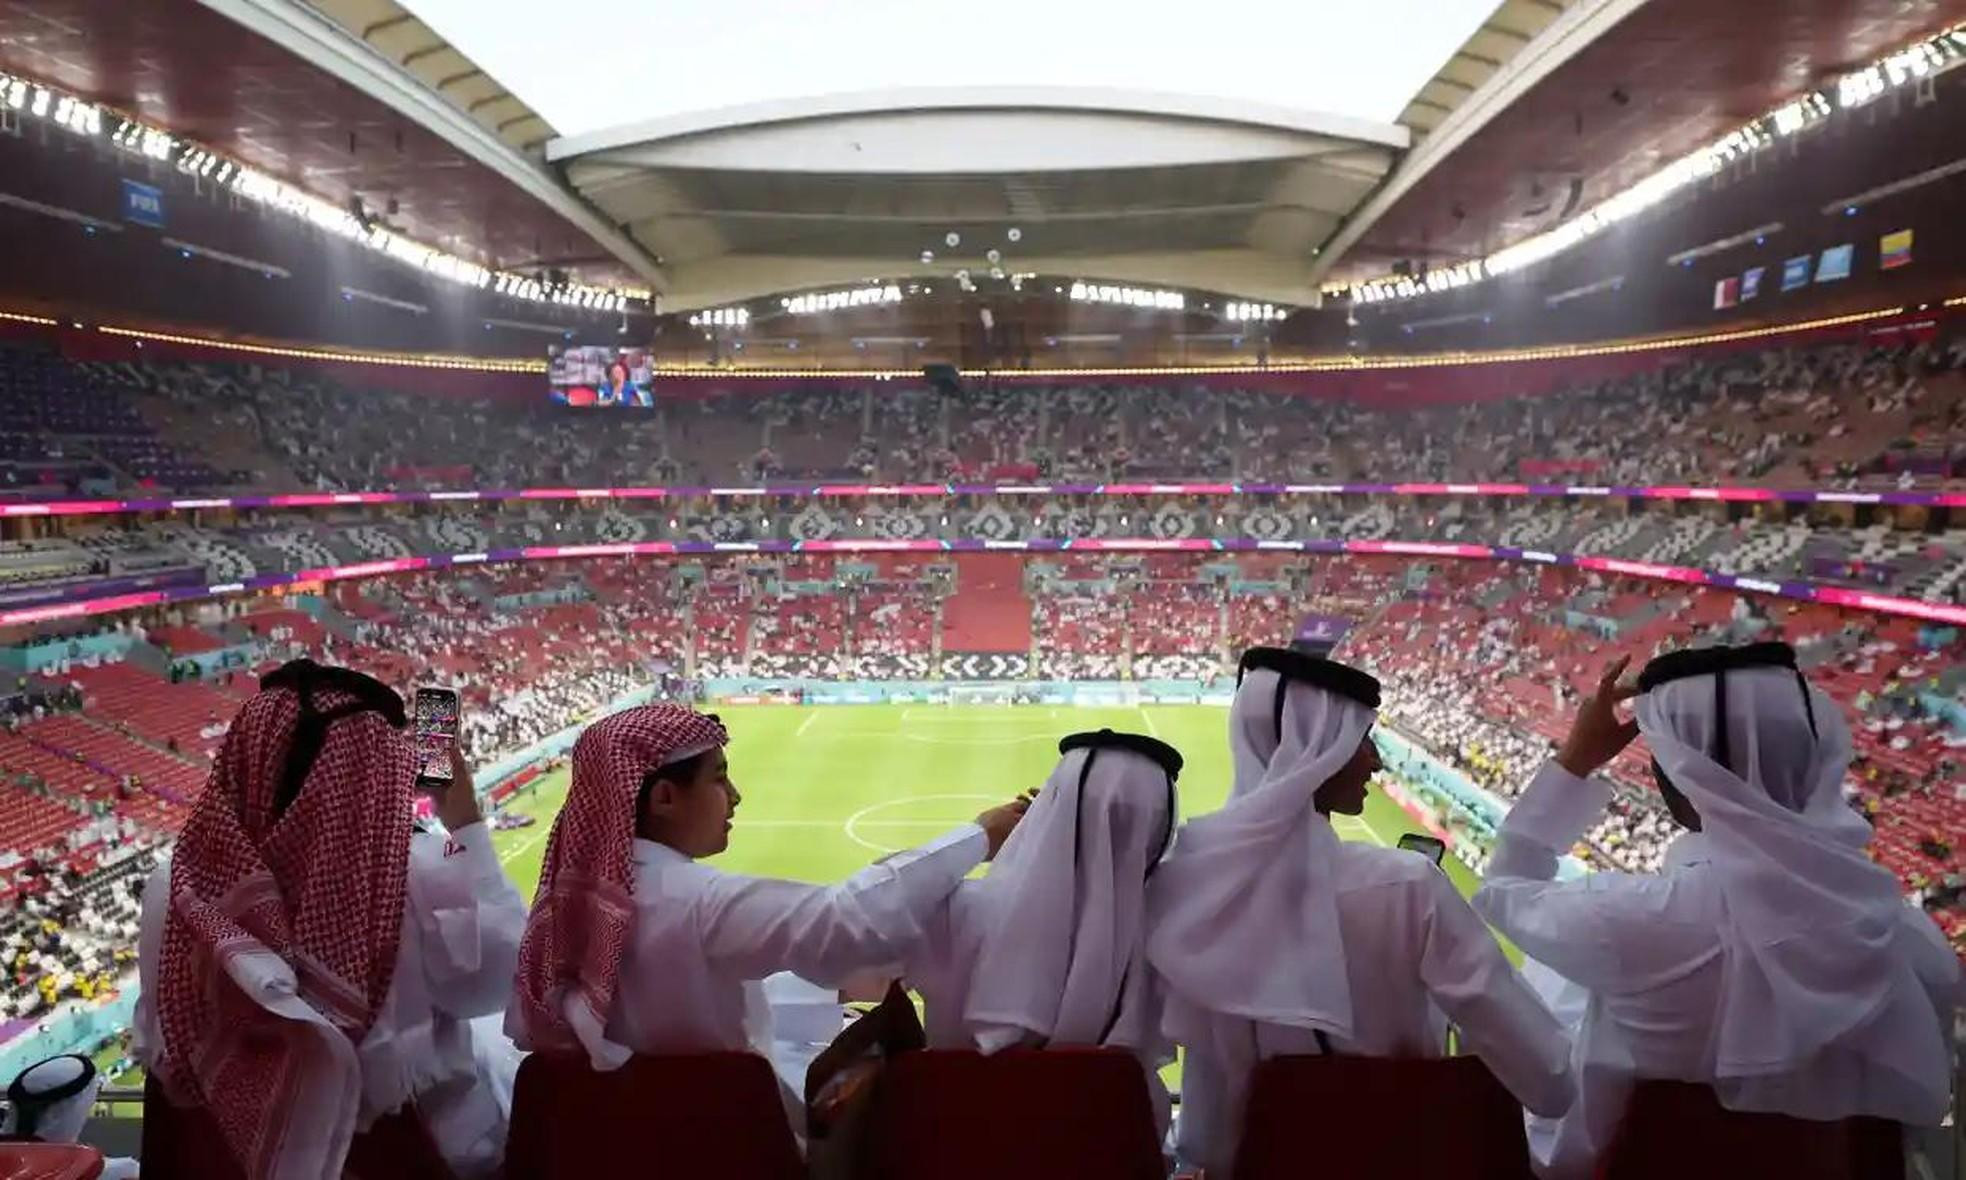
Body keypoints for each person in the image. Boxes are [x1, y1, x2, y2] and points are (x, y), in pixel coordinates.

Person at [1474, 644, 1961, 1179]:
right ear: (1814, 760)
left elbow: (1505, 886)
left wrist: (1577, 760)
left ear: (1678, 781)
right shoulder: (1916, 941)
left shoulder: (1631, 919)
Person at [1147, 647, 1574, 1177]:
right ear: (1312, 750)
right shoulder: (1407, 886)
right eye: (1359, 739)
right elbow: (1550, 1079)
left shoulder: (1185, 886)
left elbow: (1200, 1128)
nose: (1374, 759)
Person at [505, 704, 1028, 1112]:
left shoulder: (572, 903)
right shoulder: (695, 902)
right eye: (718, 777)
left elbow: (681, 1001)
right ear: (664, 798)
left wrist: (829, 991)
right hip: (725, 1143)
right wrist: (982, 835)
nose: (734, 796)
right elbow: (844, 923)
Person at [133, 659, 527, 1180]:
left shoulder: (174, 885)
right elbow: (504, 980)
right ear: (374, 771)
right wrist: (465, 823)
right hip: (410, 1157)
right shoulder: (416, 875)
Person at [902, 729, 1181, 1129]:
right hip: (1110, 1146)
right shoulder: (1176, 938)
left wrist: (981, 835)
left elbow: (859, 923)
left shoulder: (954, 912)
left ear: (1048, 809)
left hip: (962, 1137)